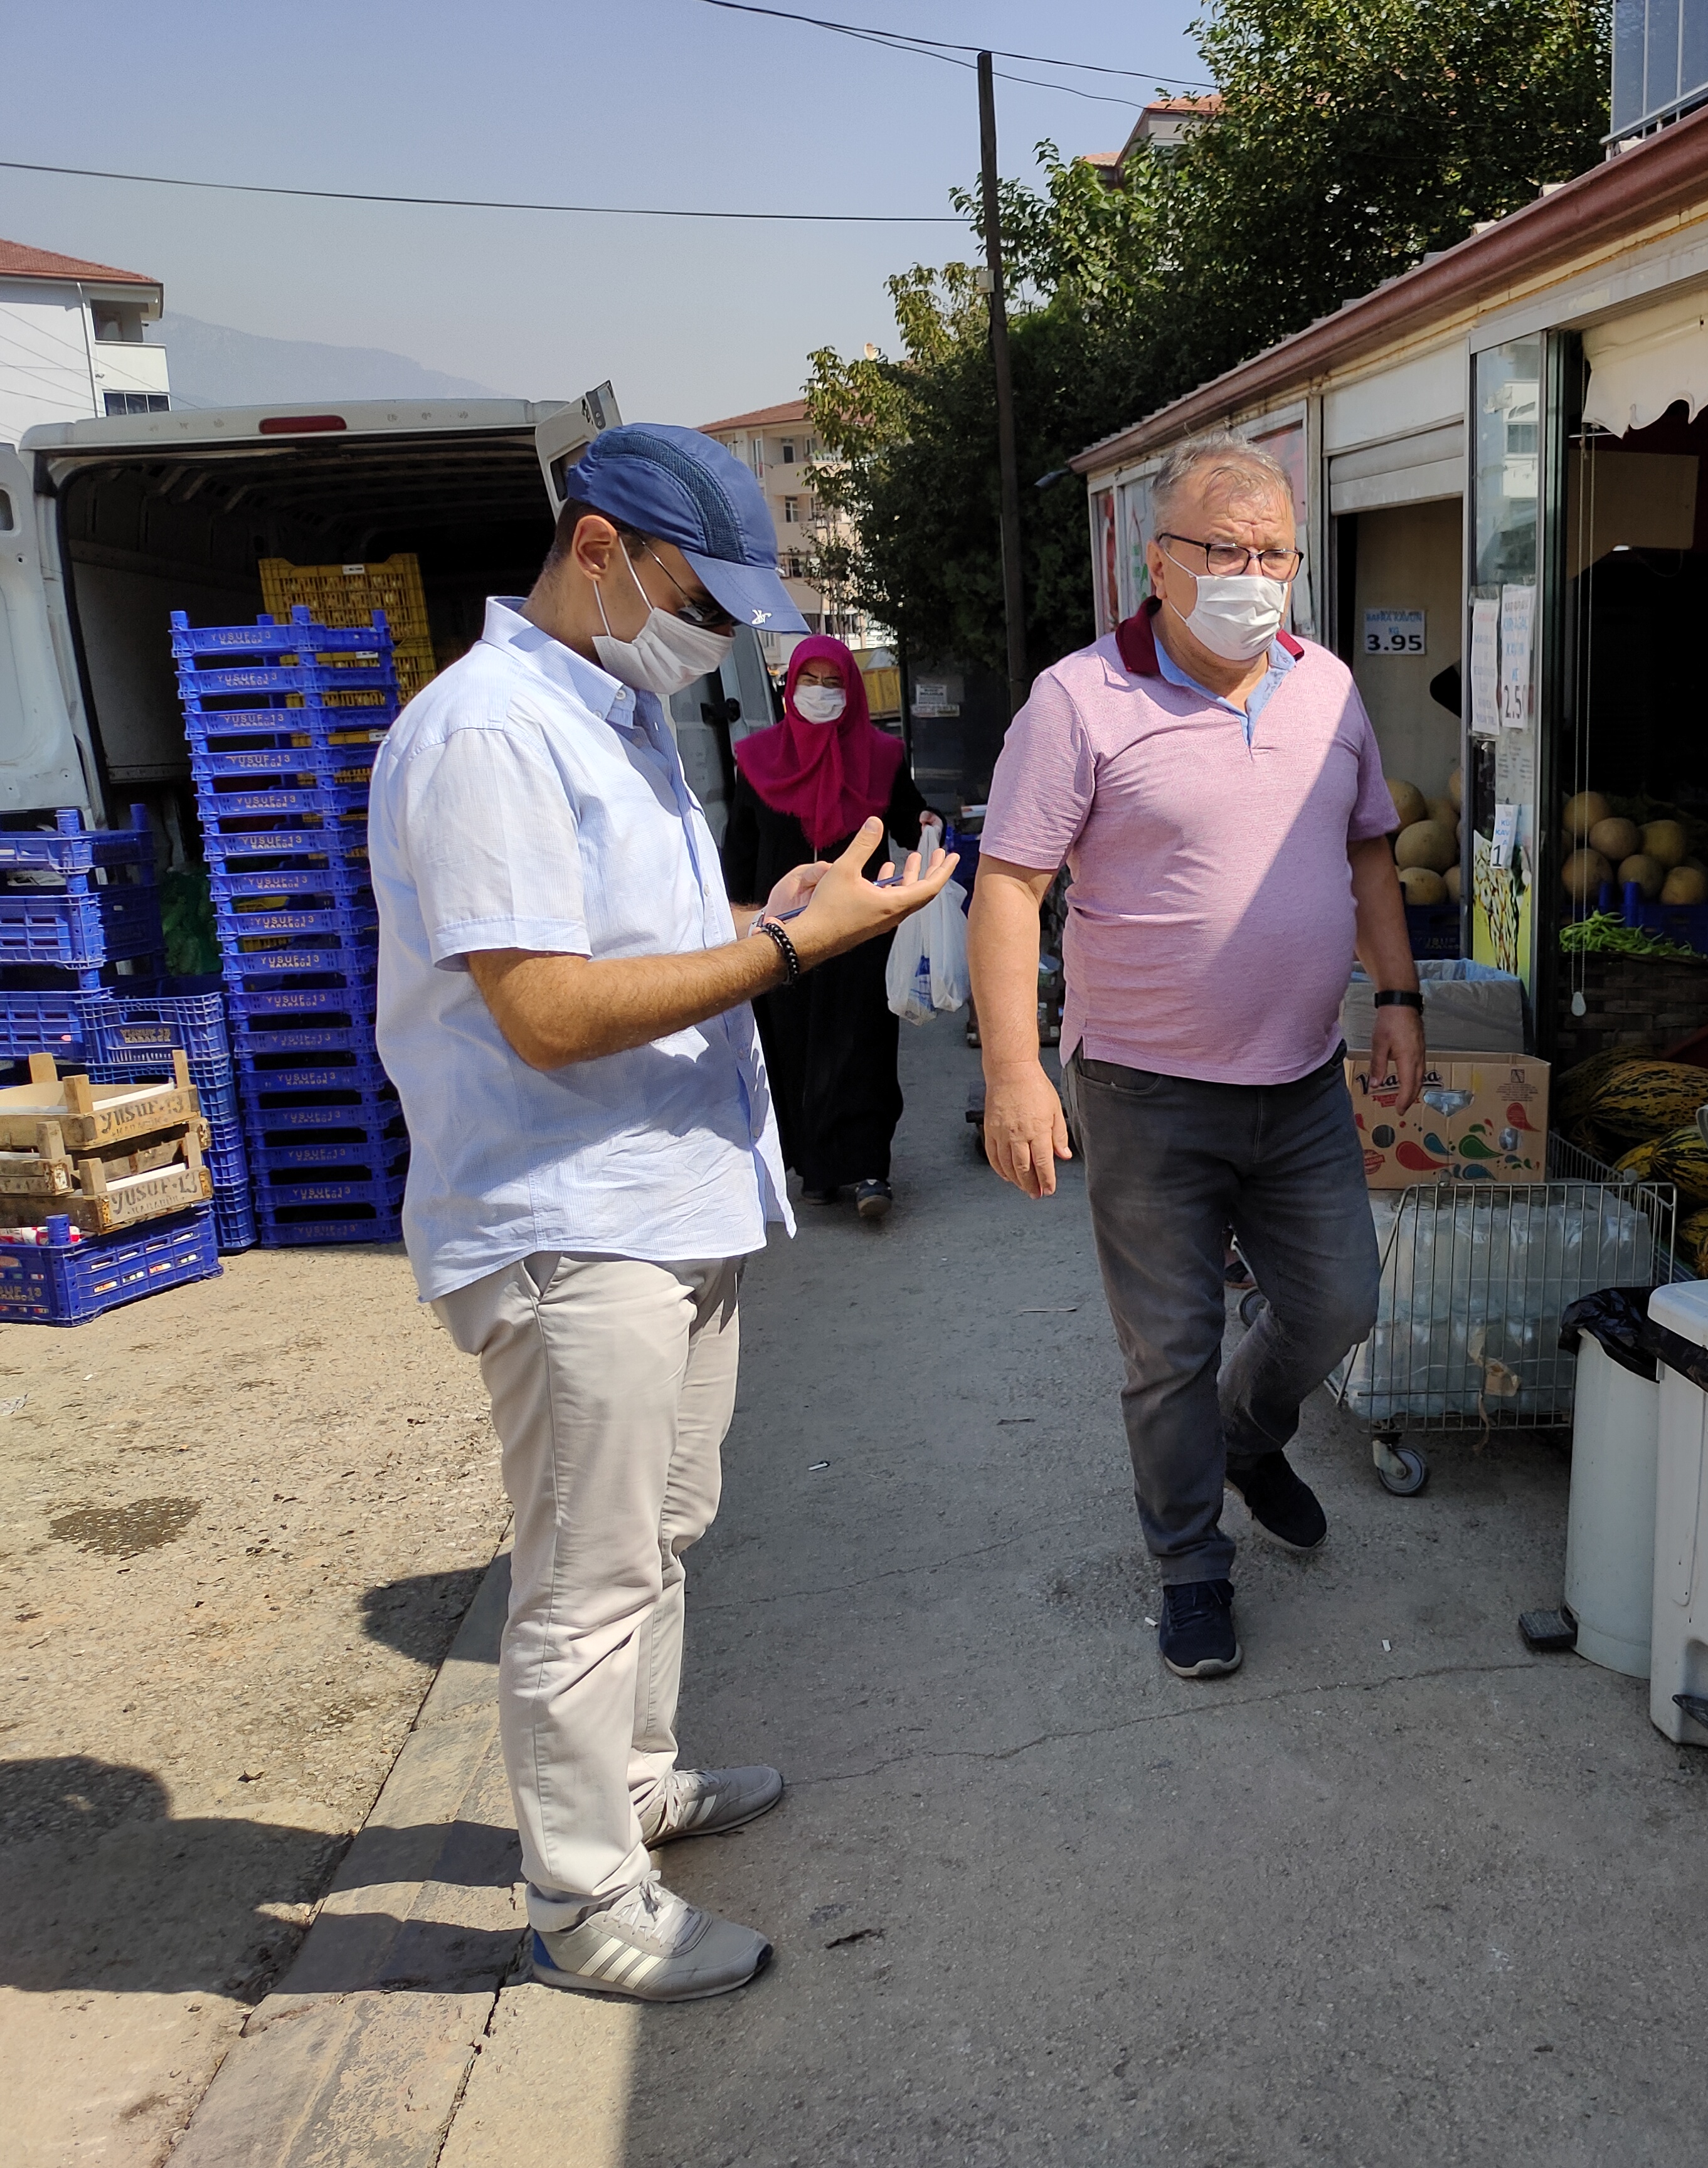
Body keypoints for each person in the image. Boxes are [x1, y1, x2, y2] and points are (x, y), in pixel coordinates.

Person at [368, 422, 955, 2002]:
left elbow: (630, 943)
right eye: (705, 593)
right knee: (581, 1572)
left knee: (660, 1532)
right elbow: (548, 1010)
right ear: (603, 547)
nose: (723, 635)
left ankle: (634, 1782)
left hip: (668, 1204)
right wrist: (787, 952)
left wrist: (789, 912)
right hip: (573, 1223)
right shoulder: (490, 732)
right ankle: (579, 1899)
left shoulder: (614, 711)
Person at [969, 430, 1422, 1682]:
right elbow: (1007, 887)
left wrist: (1399, 997)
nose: (1254, 572)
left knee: (1339, 1302)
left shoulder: (1327, 687)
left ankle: (1248, 1433)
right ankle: (1191, 1567)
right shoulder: (1080, 701)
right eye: (1225, 548)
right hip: (1145, 1092)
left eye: (1274, 550)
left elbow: (1372, 851)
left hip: (1298, 1081)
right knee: (1164, 1346)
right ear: (1157, 563)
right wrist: (1012, 1074)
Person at [724, 636, 933, 1220]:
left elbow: (909, 818)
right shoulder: (757, 761)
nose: (821, 693)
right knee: (792, 1048)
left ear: (853, 689)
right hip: (782, 929)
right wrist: (737, 921)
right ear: (790, 688)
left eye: (833, 681)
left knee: (862, 1044)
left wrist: (927, 825)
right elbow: (740, 848)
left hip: (860, 930)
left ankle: (869, 1168)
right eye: (809, 681)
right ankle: (816, 1169)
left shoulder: (882, 757)